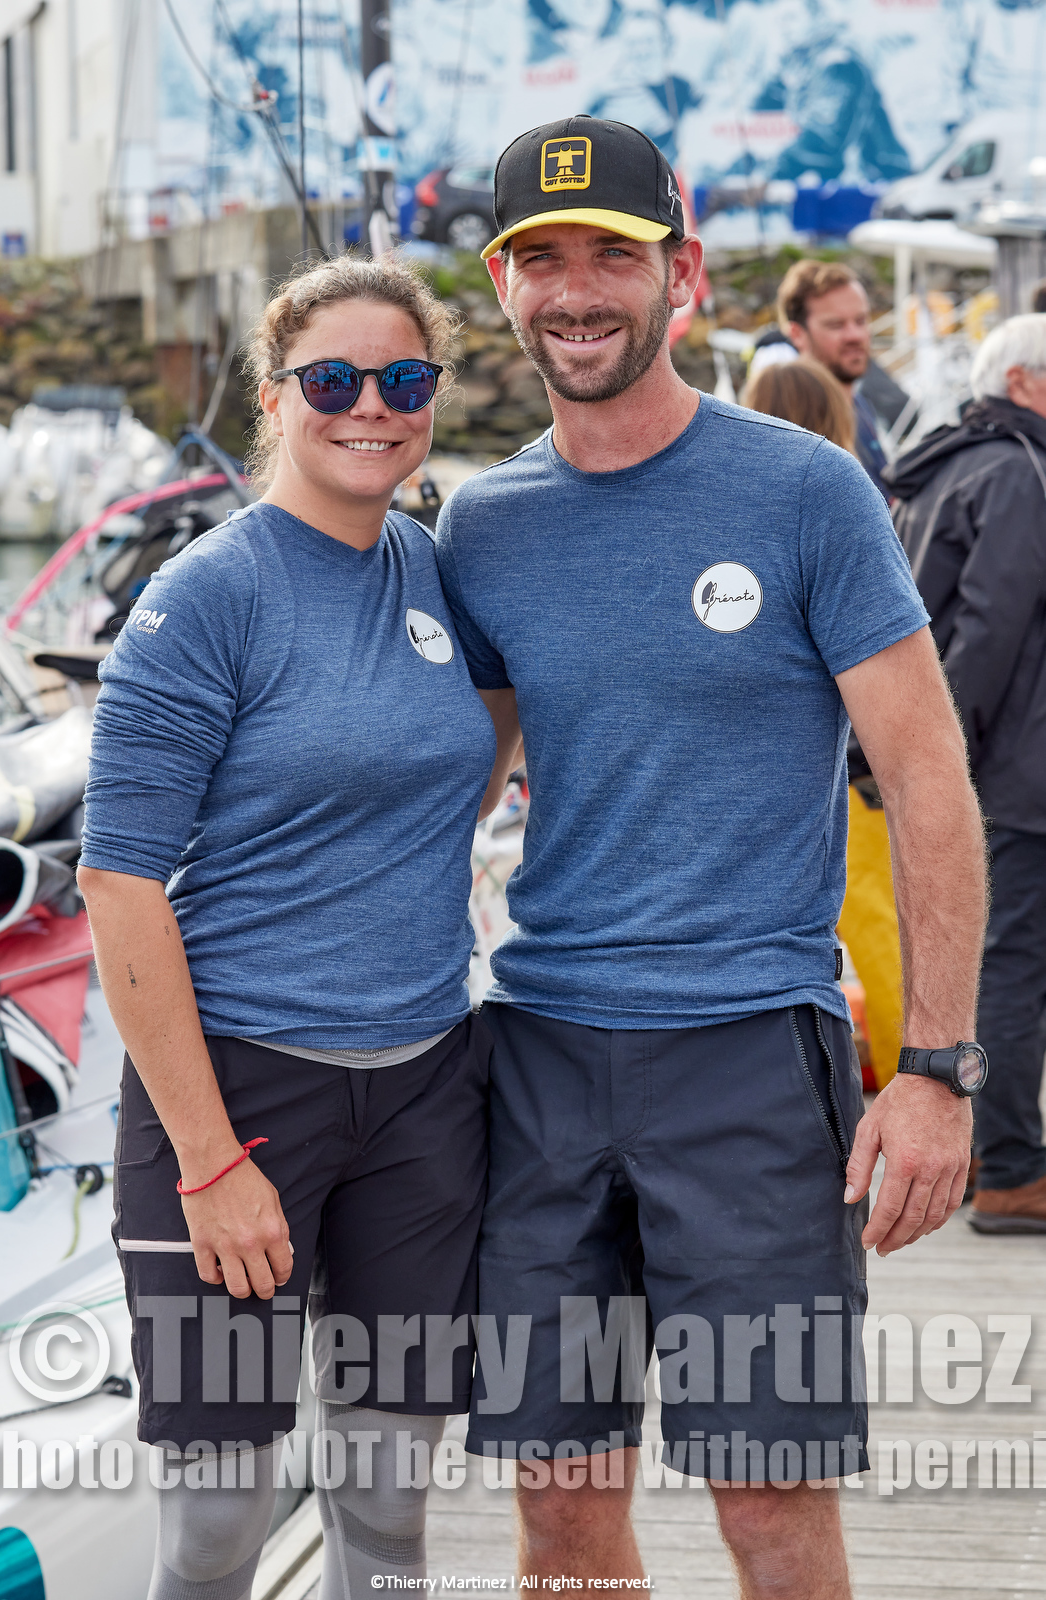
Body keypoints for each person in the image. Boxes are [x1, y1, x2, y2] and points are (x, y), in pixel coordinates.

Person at [435, 114, 987, 1598]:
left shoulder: (804, 493)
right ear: (498, 286)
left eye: (607, 254)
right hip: (541, 1058)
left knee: (767, 1513)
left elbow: (929, 782)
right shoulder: (478, 526)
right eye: (534, 258)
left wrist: (937, 1072)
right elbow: (439, 791)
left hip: (750, 1058)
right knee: (557, 1509)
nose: (572, 290)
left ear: (677, 273)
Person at [78, 256, 510, 1600]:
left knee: (386, 1520)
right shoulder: (209, 595)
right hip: (239, 1094)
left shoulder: (436, 570)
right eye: (333, 380)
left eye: (403, 379)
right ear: (277, 399)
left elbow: (477, 748)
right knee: (217, 1526)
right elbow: (118, 883)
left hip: (425, 1092)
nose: (369, 406)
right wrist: (210, 1163)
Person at [885, 312, 1046, 1233]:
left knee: (1002, 967)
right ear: (1023, 381)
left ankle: (1002, 1151)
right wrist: (947, 762)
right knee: (1014, 972)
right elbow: (987, 630)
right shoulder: (1019, 472)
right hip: (1013, 772)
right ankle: (1013, 1168)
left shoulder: (953, 459)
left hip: (981, 763)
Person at [744, 358, 904, 1088]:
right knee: (875, 929)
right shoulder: (847, 506)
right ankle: (909, 1074)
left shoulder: (737, 511)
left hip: (765, 779)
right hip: (848, 771)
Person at [775, 257, 891, 496]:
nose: (854, 335)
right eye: (836, 325)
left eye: (861, 321)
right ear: (797, 334)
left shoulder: (859, 404)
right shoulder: (796, 426)